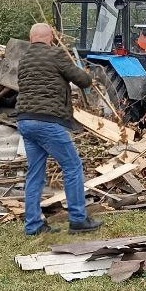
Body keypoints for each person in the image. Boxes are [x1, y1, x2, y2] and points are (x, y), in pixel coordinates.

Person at [16, 23, 102, 235]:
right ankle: (78, 220)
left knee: (35, 173)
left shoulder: (24, 60)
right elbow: (82, 80)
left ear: (31, 39)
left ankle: (33, 225)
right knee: (72, 167)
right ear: (51, 38)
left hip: (25, 121)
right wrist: (88, 74)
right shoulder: (56, 54)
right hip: (48, 122)